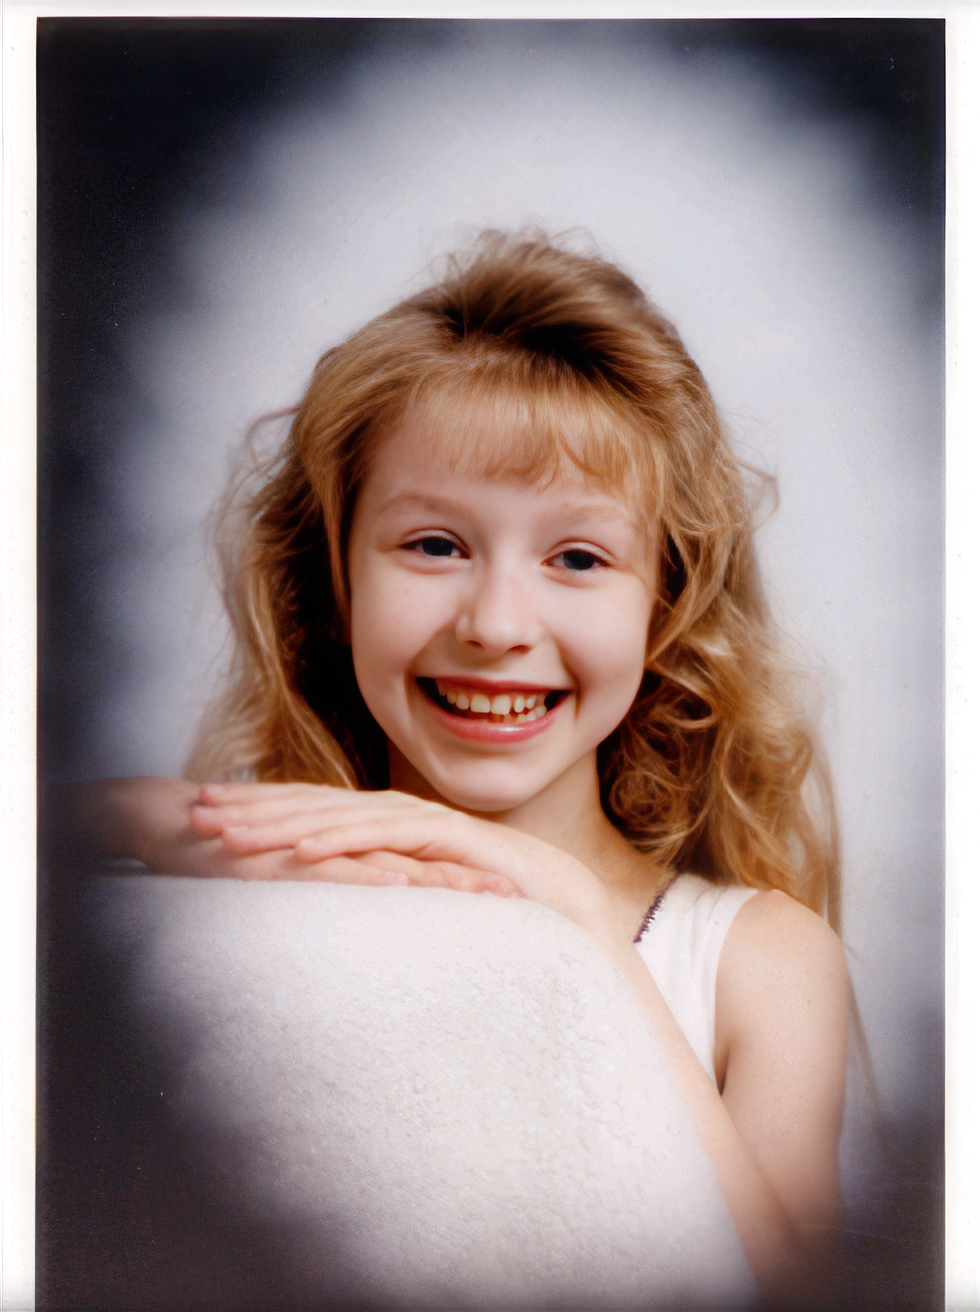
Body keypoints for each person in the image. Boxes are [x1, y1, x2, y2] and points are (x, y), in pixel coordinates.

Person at [85, 232, 850, 1305]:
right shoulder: (273, 884)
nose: (495, 624)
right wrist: (165, 822)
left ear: (660, 604)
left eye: (577, 558)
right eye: (433, 545)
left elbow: (787, 1289)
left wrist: (580, 918)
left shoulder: (756, 959)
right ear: (332, 580)